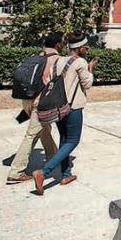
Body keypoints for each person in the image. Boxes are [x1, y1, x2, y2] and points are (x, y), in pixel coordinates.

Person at [32, 32, 95, 195]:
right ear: (80, 48)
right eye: (85, 46)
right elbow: (87, 84)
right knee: (73, 140)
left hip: (58, 106)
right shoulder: (80, 62)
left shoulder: (59, 60)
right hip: (73, 107)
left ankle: (65, 174)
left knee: (64, 139)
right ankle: (44, 172)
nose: (87, 49)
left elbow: (49, 81)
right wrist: (90, 70)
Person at [5, 32, 62, 184]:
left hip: (27, 100)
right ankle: (16, 172)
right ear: (58, 45)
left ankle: (53, 156)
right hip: (40, 102)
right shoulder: (56, 60)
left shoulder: (36, 56)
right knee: (32, 135)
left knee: (45, 129)